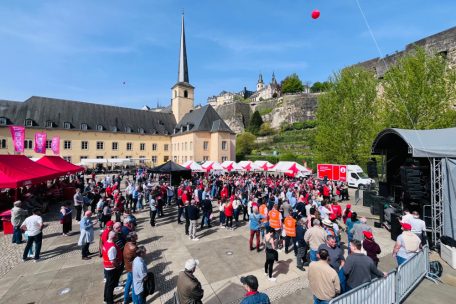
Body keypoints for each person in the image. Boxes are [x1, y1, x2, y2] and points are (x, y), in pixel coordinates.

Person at [103, 231, 123, 304]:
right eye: (117, 236)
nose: (117, 237)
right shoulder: (112, 248)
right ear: (114, 237)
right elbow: (113, 261)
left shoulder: (106, 242)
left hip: (107, 267)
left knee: (108, 284)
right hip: (111, 269)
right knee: (110, 286)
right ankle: (110, 301)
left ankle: (106, 298)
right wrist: (118, 267)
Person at [123, 232, 138, 304]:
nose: (137, 236)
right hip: (132, 268)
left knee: (128, 282)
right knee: (134, 285)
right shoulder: (133, 248)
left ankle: (126, 298)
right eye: (135, 236)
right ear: (132, 238)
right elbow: (138, 256)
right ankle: (135, 301)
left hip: (128, 267)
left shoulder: (126, 244)